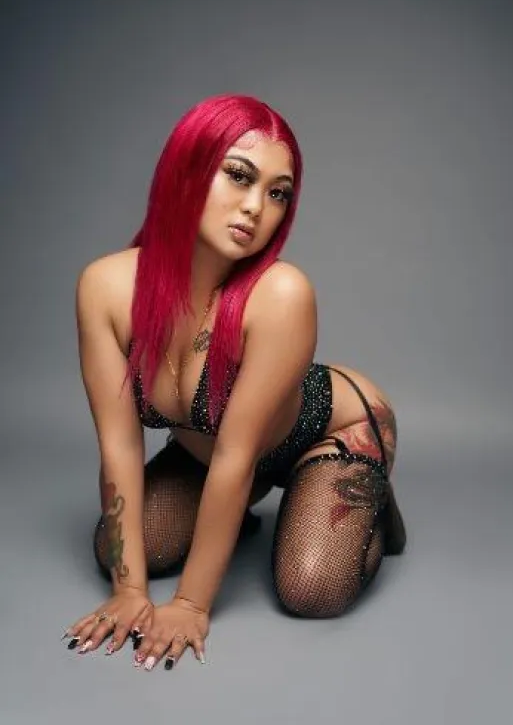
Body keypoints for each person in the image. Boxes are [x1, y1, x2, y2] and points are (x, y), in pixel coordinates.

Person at [63, 93, 406, 672]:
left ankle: (370, 500)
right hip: (216, 452)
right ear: (187, 168)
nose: (255, 207)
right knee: (116, 551)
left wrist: (190, 604)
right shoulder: (105, 288)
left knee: (312, 587)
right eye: (239, 176)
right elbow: (119, 445)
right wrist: (130, 592)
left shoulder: (281, 295)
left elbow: (236, 456)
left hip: (332, 431)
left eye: (278, 193)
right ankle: (243, 511)